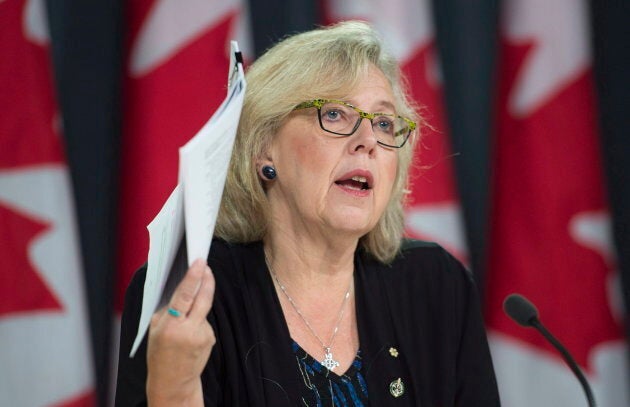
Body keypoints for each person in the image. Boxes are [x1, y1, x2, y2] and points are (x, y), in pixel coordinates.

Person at [115, 21, 500, 406]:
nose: (368, 141)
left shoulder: (435, 287)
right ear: (264, 148)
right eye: (334, 114)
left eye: (384, 123)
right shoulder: (189, 297)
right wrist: (174, 390)